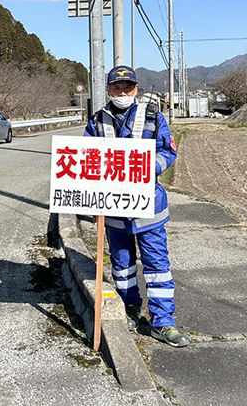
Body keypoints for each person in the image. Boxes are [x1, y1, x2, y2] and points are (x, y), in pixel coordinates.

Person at [84, 65, 189, 348]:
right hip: (115, 210)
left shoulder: (154, 116)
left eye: (127, 88)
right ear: (108, 90)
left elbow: (168, 151)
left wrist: (149, 167)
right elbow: (85, 160)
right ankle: (129, 308)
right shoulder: (96, 121)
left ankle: (163, 322)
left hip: (149, 209)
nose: (122, 93)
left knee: (157, 267)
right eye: (116, 88)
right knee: (122, 266)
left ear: (136, 89)